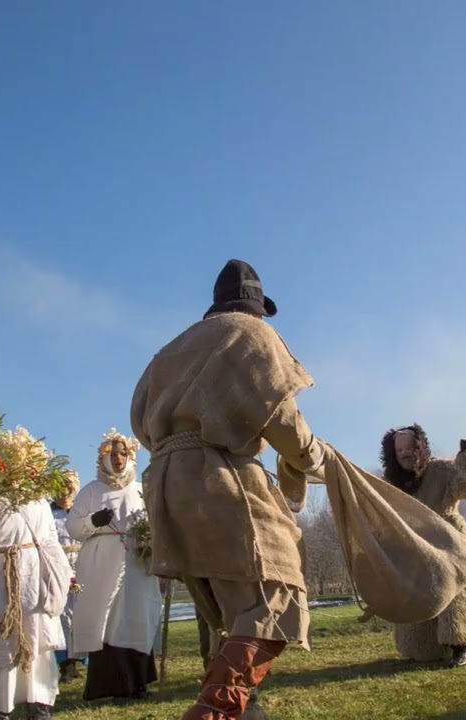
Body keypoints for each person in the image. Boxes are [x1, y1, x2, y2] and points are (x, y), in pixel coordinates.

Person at [130, 259, 329, 720]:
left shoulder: (172, 349)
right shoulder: (250, 334)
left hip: (168, 482)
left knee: (234, 612)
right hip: (219, 479)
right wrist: (312, 457)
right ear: (258, 309)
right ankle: (215, 711)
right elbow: (281, 418)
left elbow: (141, 421)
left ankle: (246, 709)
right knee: (278, 598)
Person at [379, 424, 466, 667]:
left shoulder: (441, 470)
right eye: (400, 449)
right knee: (418, 596)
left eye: (410, 447)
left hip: (449, 540)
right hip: (415, 546)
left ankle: (461, 645)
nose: (405, 453)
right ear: (393, 454)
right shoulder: (390, 484)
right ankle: (426, 647)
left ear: (420, 447)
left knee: (457, 593)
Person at [67, 430, 164, 702]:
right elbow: (73, 527)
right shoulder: (91, 491)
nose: (118, 459)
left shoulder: (141, 489)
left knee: (137, 617)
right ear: (103, 458)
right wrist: (93, 521)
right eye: (112, 454)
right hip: (101, 562)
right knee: (107, 621)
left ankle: (138, 685)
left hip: (136, 561)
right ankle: (110, 687)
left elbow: (156, 521)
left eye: (122, 453)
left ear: (130, 456)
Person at [0, 493, 72, 720]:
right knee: (3, 639)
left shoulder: (39, 497)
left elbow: (50, 539)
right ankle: (2, 708)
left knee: (37, 639)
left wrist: (64, 573)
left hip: (34, 572)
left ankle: (40, 704)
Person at [51, 482, 87, 683]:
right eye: (60, 488)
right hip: (58, 568)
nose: (64, 492)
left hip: (81, 566)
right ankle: (66, 663)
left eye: (68, 488)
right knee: (62, 615)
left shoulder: (80, 511)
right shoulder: (49, 514)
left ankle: (82, 657)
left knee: (81, 614)